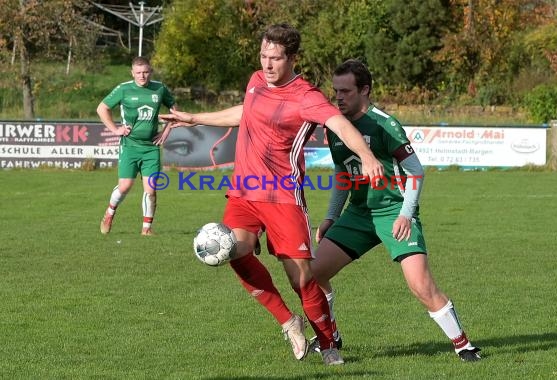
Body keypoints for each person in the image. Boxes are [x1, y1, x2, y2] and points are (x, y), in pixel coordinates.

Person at [159, 24, 383, 365]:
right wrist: (195, 118)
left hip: (283, 197)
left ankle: (328, 343)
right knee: (235, 251)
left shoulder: (307, 97)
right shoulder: (255, 81)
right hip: (245, 191)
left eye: (275, 58)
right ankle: (288, 321)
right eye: (263, 56)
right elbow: (245, 113)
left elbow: (340, 124)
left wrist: (367, 156)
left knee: (302, 279)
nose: (267, 64)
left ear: (292, 58)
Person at [309, 59, 482, 362]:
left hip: (394, 211)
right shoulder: (335, 126)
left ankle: (463, 345)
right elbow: (342, 173)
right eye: (335, 91)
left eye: (345, 91)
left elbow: (415, 171)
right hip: (359, 214)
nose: (338, 97)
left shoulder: (384, 124)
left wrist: (406, 213)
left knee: (420, 285)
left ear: (365, 90)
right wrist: (331, 216)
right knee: (312, 274)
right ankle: (332, 334)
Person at [97, 56, 176, 236]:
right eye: (139, 73)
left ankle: (146, 229)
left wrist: (166, 132)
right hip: (130, 146)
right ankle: (109, 213)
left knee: (151, 189)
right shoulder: (124, 89)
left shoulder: (160, 88)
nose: (142, 76)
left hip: (151, 148)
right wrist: (115, 129)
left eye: (146, 72)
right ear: (132, 73)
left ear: (151, 72)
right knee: (125, 186)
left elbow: (175, 110)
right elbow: (102, 108)